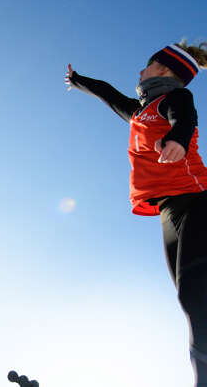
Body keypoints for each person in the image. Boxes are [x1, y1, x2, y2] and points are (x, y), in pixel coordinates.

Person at [66, 41, 207, 386]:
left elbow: (184, 118)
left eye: (145, 66)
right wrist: (78, 79)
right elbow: (109, 95)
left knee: (195, 294)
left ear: (162, 69)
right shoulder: (141, 111)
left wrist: (176, 139)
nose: (139, 71)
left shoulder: (175, 98)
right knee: (189, 299)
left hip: (196, 201)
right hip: (168, 211)